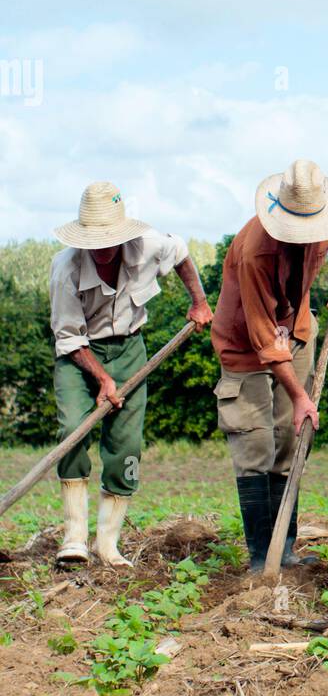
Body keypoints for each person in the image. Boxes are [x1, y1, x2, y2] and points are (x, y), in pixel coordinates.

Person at [50, 181, 213, 567]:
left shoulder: (149, 244)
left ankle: (107, 545)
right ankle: (74, 538)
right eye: (95, 241)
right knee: (73, 431)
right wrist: (103, 380)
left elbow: (182, 253)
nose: (103, 248)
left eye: (109, 239)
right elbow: (69, 338)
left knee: (126, 448)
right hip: (80, 354)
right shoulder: (65, 269)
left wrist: (200, 302)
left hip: (130, 349)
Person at [211, 160, 328, 572]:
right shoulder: (256, 252)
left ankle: (284, 549)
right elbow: (264, 343)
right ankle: (261, 560)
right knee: (256, 445)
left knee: (290, 441)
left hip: (296, 326)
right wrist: (301, 395)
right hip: (246, 344)